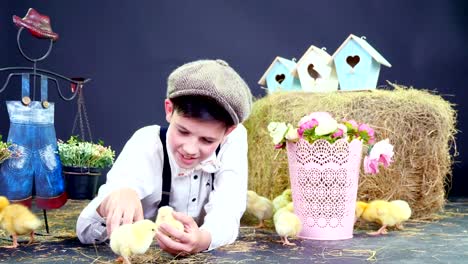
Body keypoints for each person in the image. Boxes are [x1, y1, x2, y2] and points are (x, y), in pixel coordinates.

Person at [76, 59, 253, 255]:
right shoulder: (146, 143)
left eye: (207, 140)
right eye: (183, 131)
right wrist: (111, 201)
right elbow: (85, 228)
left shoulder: (234, 141)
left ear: (228, 131)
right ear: (169, 110)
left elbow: (227, 211)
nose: (190, 149)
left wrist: (203, 239)